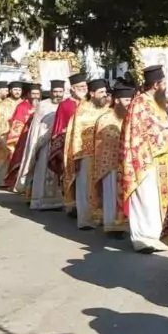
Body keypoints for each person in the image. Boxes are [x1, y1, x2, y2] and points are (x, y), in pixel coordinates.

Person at [120, 66, 168, 254]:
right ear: (156, 85)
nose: (166, 87)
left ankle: (158, 236)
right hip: (145, 158)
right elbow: (136, 132)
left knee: (157, 200)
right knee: (146, 199)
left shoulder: (158, 102)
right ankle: (143, 239)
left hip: (163, 159)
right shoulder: (140, 103)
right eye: (164, 83)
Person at [65, 79, 110, 229]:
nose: (105, 94)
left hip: (104, 154)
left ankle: (102, 217)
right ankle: (85, 220)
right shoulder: (82, 111)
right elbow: (75, 134)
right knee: (85, 187)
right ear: (92, 93)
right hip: (86, 155)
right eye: (101, 92)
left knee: (102, 187)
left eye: (105, 92)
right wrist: (76, 155)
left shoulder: (107, 109)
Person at [92, 83, 134, 235]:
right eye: (127, 100)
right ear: (117, 100)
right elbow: (105, 140)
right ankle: (111, 226)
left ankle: (124, 224)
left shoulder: (131, 117)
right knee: (111, 195)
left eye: (131, 100)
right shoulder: (106, 118)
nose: (129, 103)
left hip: (127, 163)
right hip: (110, 164)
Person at [47, 74, 87, 212]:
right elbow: (58, 129)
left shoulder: (89, 104)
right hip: (69, 146)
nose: (84, 89)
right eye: (80, 87)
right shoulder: (65, 105)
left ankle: (85, 205)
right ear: (73, 89)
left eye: (85, 86)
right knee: (71, 175)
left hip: (87, 146)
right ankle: (72, 205)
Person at [27, 82, 66, 210]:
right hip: (45, 143)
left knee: (57, 172)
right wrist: (36, 143)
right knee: (42, 170)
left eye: (60, 92)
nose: (58, 94)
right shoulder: (43, 105)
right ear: (51, 92)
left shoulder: (65, 105)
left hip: (60, 144)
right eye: (55, 91)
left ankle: (58, 202)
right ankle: (39, 201)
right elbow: (36, 126)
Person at [3, 83, 38, 187]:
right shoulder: (22, 106)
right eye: (33, 94)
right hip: (23, 138)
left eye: (37, 94)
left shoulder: (41, 106)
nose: (35, 96)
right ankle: (18, 184)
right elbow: (17, 124)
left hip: (37, 138)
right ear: (28, 94)